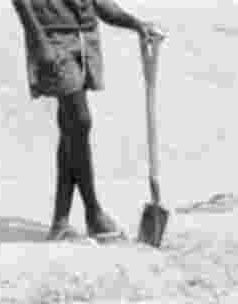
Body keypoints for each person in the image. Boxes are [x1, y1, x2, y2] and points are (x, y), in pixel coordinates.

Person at [12, 0, 164, 242]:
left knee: (71, 127)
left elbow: (101, 4)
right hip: (52, 39)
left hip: (85, 39)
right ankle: (94, 213)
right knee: (80, 121)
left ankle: (60, 222)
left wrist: (136, 24)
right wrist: (39, 42)